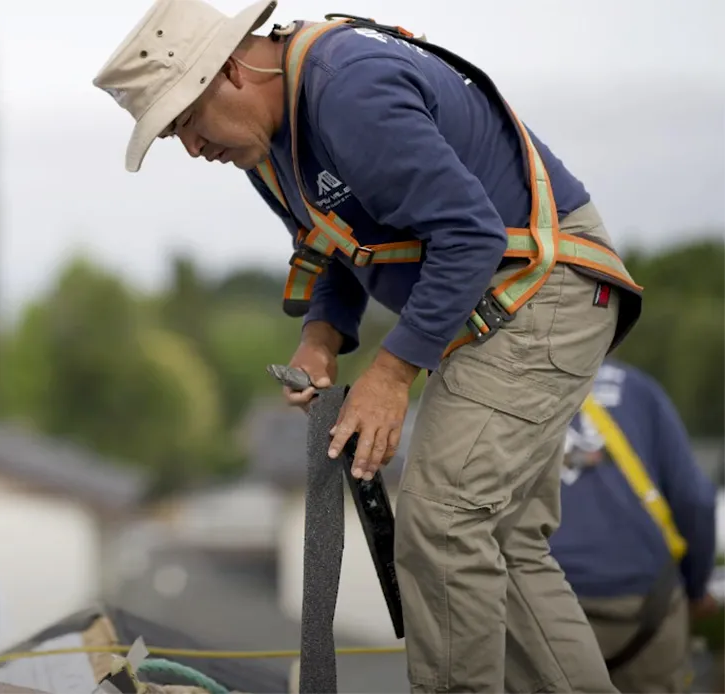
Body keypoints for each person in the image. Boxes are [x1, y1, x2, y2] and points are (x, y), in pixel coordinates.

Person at [91, 0, 645, 691]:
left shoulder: (348, 89)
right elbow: (329, 242)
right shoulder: (267, 146)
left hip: (542, 286)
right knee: (499, 543)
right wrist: (320, 339)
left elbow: (469, 234)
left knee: (443, 524)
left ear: (229, 70)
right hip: (499, 299)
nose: (193, 149)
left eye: (185, 123)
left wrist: (390, 374)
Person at [551, 358, 720, 693]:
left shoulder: (505, 386)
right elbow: (694, 500)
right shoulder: (639, 389)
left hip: (541, 603)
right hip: (644, 608)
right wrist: (697, 587)